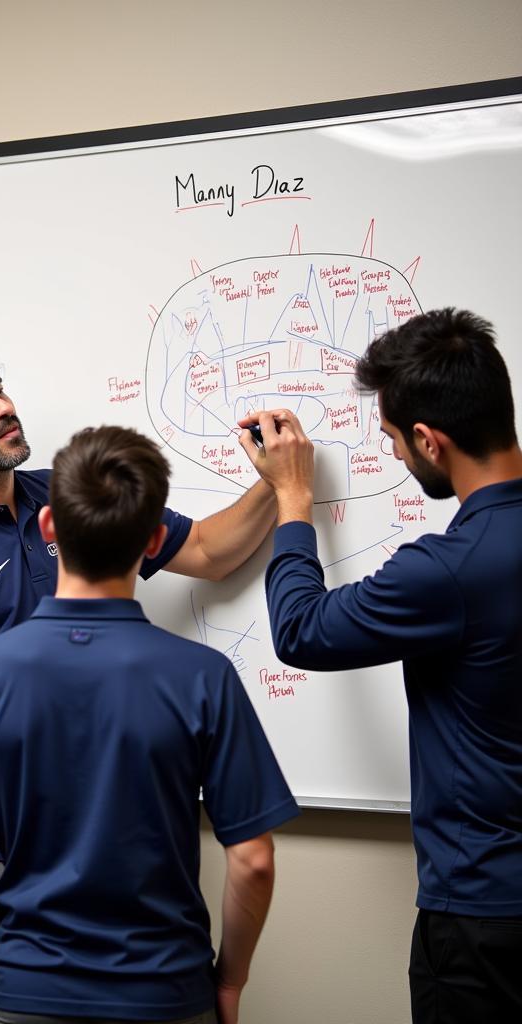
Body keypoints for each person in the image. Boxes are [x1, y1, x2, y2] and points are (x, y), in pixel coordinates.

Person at [0, 332, 281, 1024]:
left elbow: (209, 550)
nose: (2, 407)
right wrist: (29, 760)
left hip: (85, 848)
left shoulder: (59, 500)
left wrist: (278, 483)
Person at [239, 308, 522, 1022]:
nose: (396, 456)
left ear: (430, 439)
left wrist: (293, 499)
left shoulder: (451, 571)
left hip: (486, 917)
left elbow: (301, 631)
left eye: (395, 440)